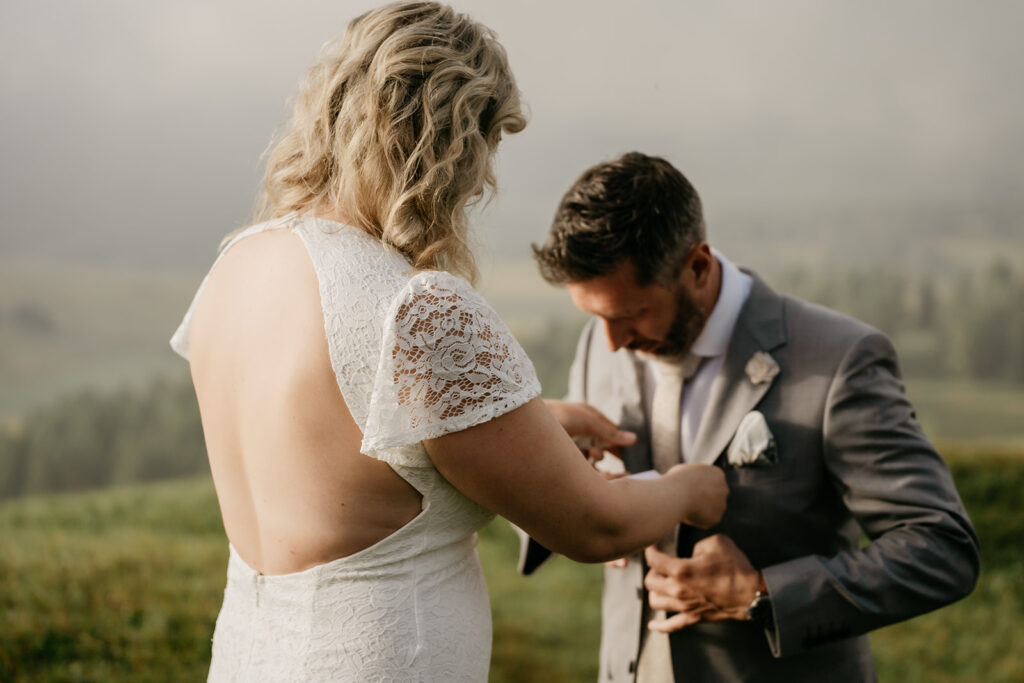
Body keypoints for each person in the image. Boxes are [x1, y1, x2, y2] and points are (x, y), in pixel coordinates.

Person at [169, 6, 728, 682]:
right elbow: (595, 526)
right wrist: (690, 489)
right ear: (451, 147)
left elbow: (346, 441)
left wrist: (534, 423)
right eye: (485, 148)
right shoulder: (419, 308)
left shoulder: (239, 264)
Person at [522, 151, 981, 682]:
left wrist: (761, 593)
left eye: (632, 314)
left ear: (697, 267)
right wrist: (559, 471)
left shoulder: (838, 358)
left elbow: (941, 548)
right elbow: (576, 500)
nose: (611, 342)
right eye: (594, 316)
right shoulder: (602, 339)